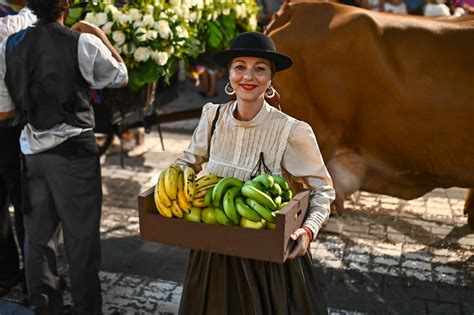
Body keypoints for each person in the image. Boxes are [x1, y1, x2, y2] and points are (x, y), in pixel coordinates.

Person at [176, 32, 335, 314]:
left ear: (270, 79)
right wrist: (172, 182)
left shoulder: (292, 131)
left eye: (259, 68)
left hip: (267, 260)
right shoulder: (212, 117)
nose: (248, 76)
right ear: (229, 74)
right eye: (240, 66)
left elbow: (322, 190)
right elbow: (188, 162)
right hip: (212, 253)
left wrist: (308, 230)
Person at [1, 0, 128, 313]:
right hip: (74, 152)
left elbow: (6, 110)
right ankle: (87, 309)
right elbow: (119, 76)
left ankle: (45, 307)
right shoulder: (81, 42)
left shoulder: (9, 45)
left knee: (38, 238)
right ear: (67, 4)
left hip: (31, 151)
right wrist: (97, 32)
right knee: (81, 239)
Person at [0, 0, 36, 297]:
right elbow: (30, 17)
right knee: (24, 204)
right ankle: (29, 278)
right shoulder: (10, 25)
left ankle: (6, 272)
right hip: (7, 129)